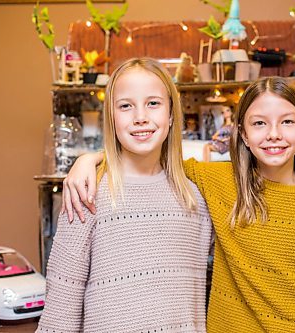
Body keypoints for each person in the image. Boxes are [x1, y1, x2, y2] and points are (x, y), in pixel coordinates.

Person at [63, 77, 295, 332]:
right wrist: (88, 159)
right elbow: (151, 153)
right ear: (244, 135)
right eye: (260, 123)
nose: (274, 134)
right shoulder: (220, 181)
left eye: (287, 122)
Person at [37, 58, 212, 333]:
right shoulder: (88, 192)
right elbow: (62, 302)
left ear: (171, 114)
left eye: (153, 103)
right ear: (112, 117)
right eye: (125, 106)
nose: (140, 116)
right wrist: (90, 159)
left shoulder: (195, 197)